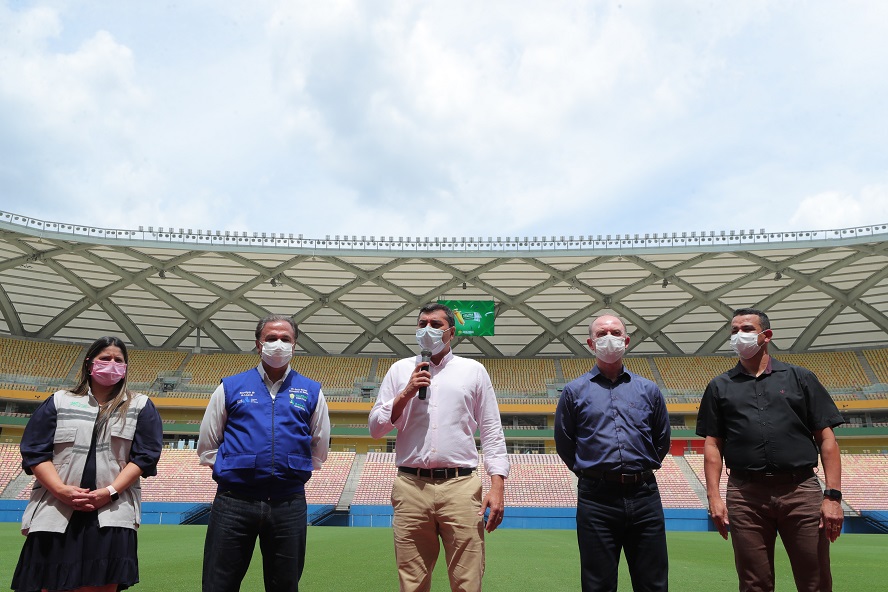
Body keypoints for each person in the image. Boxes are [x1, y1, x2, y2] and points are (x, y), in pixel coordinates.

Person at [696, 307, 844, 592]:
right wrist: (713, 497)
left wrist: (833, 497)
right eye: (734, 330)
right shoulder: (719, 386)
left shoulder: (800, 378)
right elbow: (713, 444)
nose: (739, 335)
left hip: (800, 490)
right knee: (754, 583)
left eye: (747, 329)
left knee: (815, 580)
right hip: (745, 494)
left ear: (767, 335)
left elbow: (827, 439)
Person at [368, 302, 509, 592]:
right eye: (422, 324)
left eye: (435, 324)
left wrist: (497, 487)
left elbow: (492, 431)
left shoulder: (474, 371)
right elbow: (375, 428)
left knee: (467, 581)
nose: (428, 330)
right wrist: (405, 393)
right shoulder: (399, 370)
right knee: (412, 582)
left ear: (451, 332)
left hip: (460, 485)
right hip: (411, 486)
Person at [11, 336, 163, 592]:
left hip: (112, 514)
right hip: (55, 510)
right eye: (105, 358)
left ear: (126, 367)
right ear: (89, 363)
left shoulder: (140, 406)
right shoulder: (59, 400)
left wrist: (110, 492)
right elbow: (35, 451)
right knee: (50, 585)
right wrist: (60, 490)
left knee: (102, 585)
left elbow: (145, 457)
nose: (112, 364)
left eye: (119, 360)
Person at [197, 314, 330, 592]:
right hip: (234, 502)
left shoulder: (311, 391)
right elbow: (208, 445)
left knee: (284, 585)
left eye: (285, 339)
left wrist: (289, 474)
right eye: (271, 338)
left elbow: (319, 448)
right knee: (218, 583)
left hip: (288, 504)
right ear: (259, 344)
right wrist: (237, 477)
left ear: (295, 346)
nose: (278, 344)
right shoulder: (230, 387)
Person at [554, 314, 671, 592]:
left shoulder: (649, 390)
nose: (609, 338)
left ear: (626, 340)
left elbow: (662, 439)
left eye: (615, 332)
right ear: (591, 343)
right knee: (598, 584)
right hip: (597, 499)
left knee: (653, 582)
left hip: (644, 495)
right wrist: (596, 473)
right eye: (602, 333)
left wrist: (638, 470)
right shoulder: (573, 391)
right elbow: (565, 443)